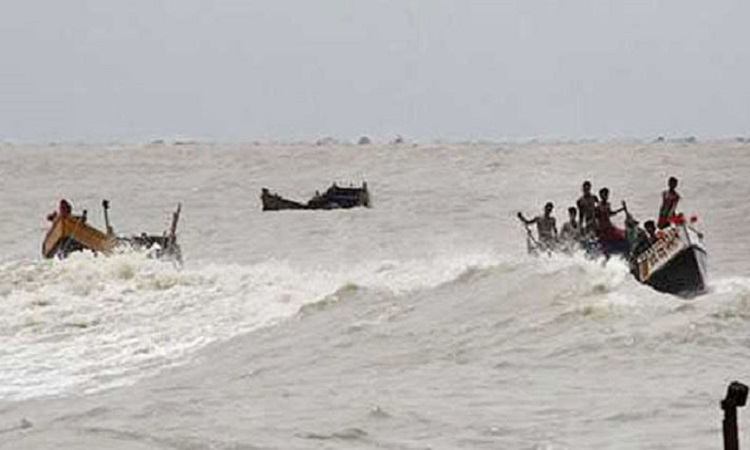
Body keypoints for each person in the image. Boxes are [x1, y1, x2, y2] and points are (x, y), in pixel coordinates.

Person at [595, 188, 629, 254]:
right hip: (603, 229)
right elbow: (595, 218)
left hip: (609, 227)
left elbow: (611, 213)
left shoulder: (608, 205)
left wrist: (622, 209)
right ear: (600, 195)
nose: (606, 196)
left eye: (607, 195)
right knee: (605, 245)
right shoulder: (598, 206)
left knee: (623, 236)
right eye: (604, 195)